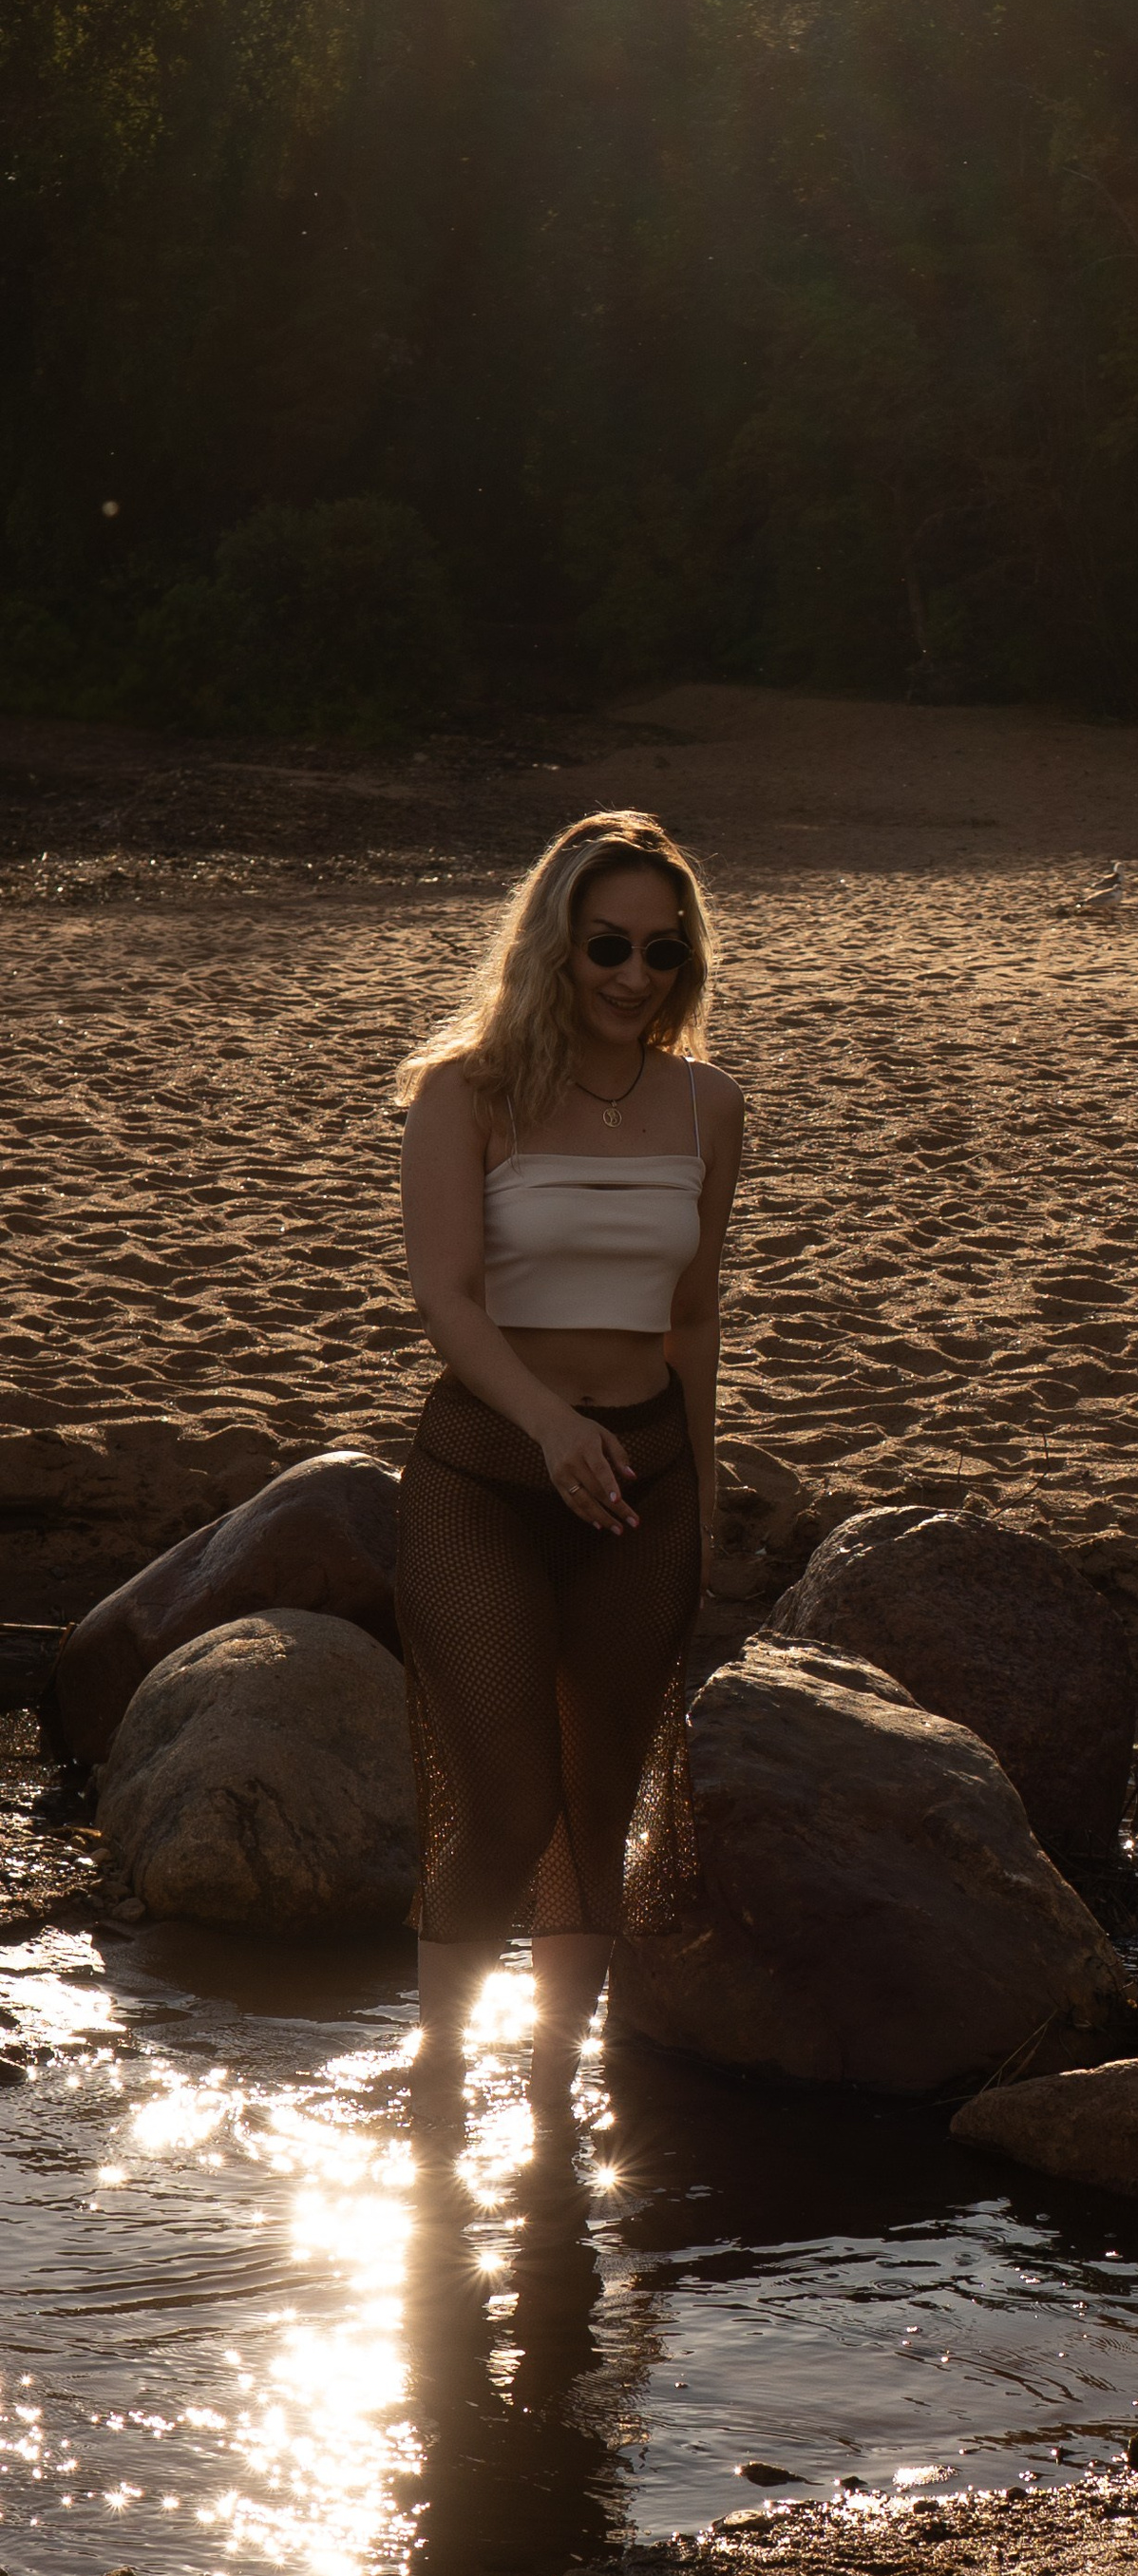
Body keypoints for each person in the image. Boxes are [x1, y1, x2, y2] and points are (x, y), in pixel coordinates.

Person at [395, 809, 744, 2118]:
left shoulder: (711, 1106)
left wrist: (695, 1493)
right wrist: (550, 1425)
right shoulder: (466, 1092)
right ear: (557, 942)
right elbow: (448, 1298)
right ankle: (435, 2073)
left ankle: (550, 2094)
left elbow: (695, 1312)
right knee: (504, 1804)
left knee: (598, 1806)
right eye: (608, 945)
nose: (633, 977)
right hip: (486, 1477)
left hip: (638, 1487)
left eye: (663, 952)